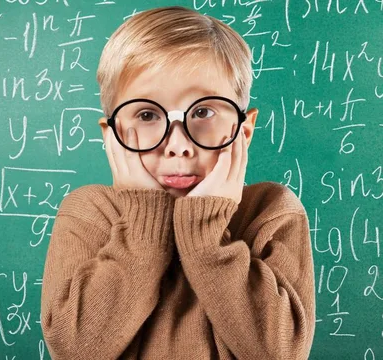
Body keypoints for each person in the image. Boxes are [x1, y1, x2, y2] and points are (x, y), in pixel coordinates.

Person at [40, 5, 316, 360]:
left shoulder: (272, 211)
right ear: (112, 137)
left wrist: (206, 234)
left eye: (203, 112)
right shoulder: (90, 212)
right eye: (147, 114)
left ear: (243, 131)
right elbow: (75, 350)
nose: (179, 145)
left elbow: (280, 353)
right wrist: (143, 223)